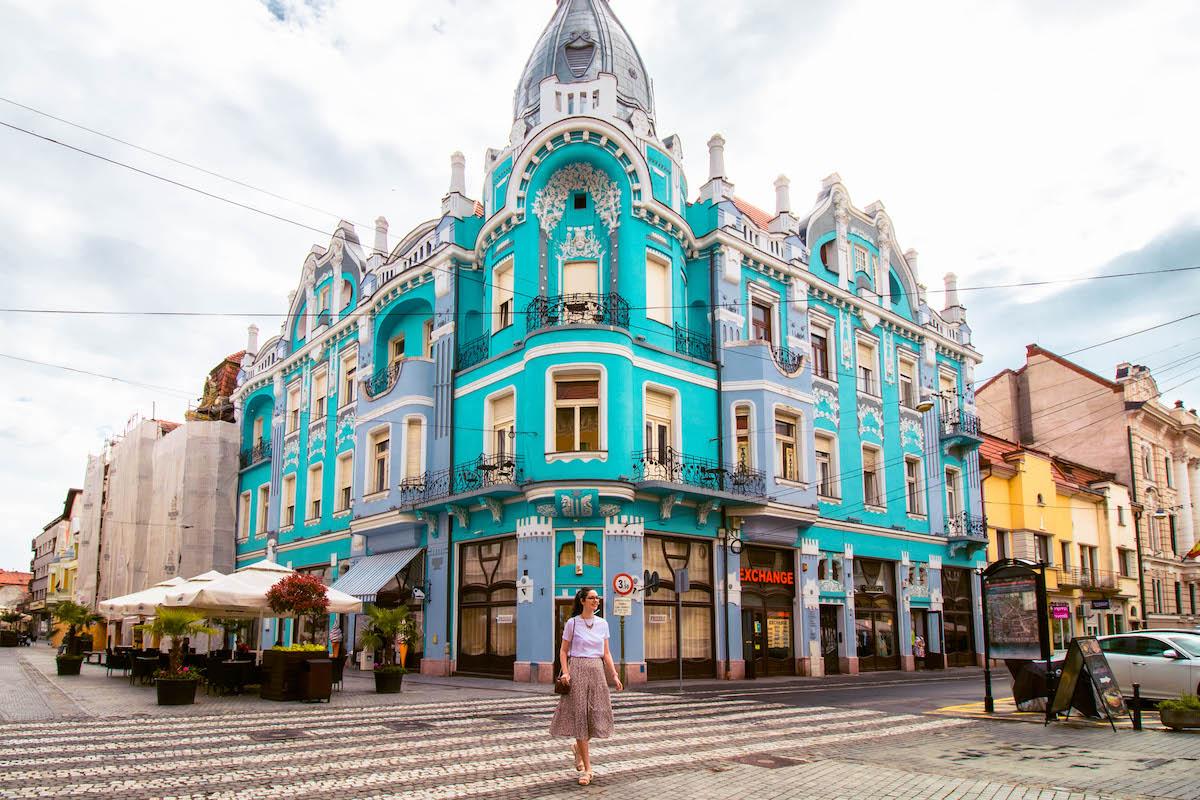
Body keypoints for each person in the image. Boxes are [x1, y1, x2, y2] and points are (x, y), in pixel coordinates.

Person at [549, 587, 622, 786]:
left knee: (594, 715)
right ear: (582, 601)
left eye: (597, 598)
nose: (596, 601)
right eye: (591, 598)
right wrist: (565, 672)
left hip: (597, 671)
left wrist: (614, 675)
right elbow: (563, 651)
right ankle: (588, 769)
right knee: (580, 716)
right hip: (578, 669)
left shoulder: (603, 624)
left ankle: (577, 748)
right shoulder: (572, 623)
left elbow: (606, 653)